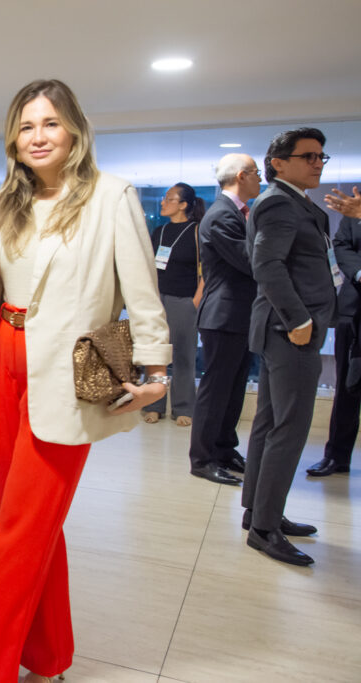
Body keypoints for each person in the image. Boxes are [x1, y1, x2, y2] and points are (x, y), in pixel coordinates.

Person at [0, 80, 171, 683]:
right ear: (13, 139)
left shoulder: (111, 196)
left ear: (74, 129)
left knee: (20, 530)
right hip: (4, 355)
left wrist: (156, 368)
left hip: (68, 370)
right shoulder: (6, 203)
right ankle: (48, 655)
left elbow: (140, 289)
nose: (38, 136)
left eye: (49, 123)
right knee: (26, 524)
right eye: (26, 127)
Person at [242, 127, 336, 566]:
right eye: (308, 156)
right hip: (290, 331)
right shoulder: (280, 202)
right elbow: (267, 264)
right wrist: (298, 320)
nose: (317, 162)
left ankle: (260, 513)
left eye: (321, 156)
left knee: (269, 423)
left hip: (284, 329)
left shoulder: (294, 201)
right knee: (289, 428)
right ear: (278, 163)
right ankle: (265, 528)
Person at [187, 154, 261, 485]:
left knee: (233, 388)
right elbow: (250, 260)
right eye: (257, 174)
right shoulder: (221, 215)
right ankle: (202, 459)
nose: (261, 179)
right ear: (241, 176)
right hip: (223, 314)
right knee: (216, 390)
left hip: (241, 314)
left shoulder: (238, 212)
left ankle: (224, 448)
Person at [142, 182, 205, 427]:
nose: (162, 203)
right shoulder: (160, 231)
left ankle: (183, 408)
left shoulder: (197, 231)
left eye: (169, 199)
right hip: (158, 300)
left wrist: (195, 301)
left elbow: (206, 269)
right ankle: (153, 405)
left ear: (183, 205)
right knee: (156, 355)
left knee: (183, 355)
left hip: (184, 300)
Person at [309, 200, 361, 477]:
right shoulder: (355, 210)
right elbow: (341, 245)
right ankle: (337, 457)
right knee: (345, 388)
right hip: (353, 308)